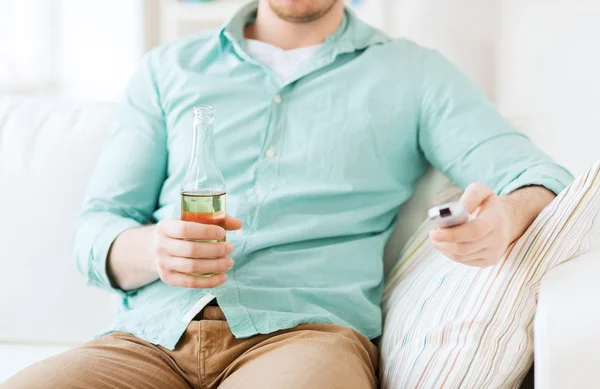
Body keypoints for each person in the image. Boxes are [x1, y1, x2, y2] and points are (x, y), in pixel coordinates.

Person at [3, 0, 573, 388]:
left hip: (306, 338)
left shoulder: (414, 74)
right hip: (148, 339)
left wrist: (506, 218)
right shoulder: (168, 70)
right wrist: (153, 249)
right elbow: (96, 228)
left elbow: (539, 176)